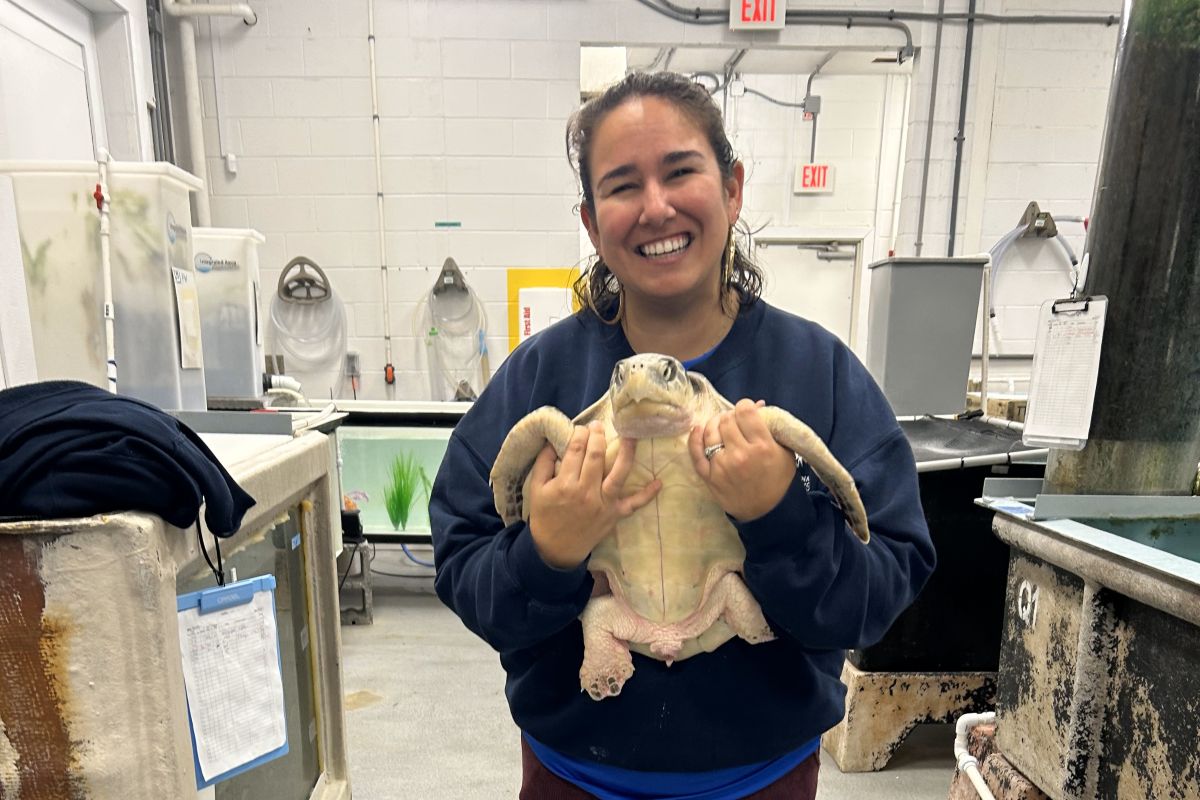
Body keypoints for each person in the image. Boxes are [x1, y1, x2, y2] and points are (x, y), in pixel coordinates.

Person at [430, 71, 935, 799]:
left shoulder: (816, 373)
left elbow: (883, 585)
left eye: (680, 171)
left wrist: (780, 517)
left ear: (731, 189)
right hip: (574, 773)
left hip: (762, 776)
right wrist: (547, 552)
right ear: (590, 218)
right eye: (623, 185)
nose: (656, 207)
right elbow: (464, 568)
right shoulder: (538, 380)